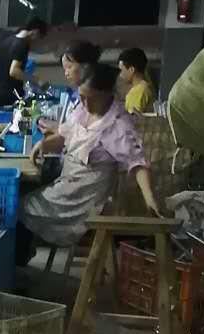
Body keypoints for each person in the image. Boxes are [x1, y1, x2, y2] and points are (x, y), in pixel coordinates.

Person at [17, 61, 159, 263]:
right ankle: (22, 256)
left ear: (106, 94)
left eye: (88, 98)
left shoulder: (117, 125)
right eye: (81, 96)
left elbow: (137, 163)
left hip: (83, 199)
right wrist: (45, 144)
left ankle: (19, 260)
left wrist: (149, 199)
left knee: (20, 207)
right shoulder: (84, 110)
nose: (83, 102)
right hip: (68, 185)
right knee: (22, 194)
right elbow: (68, 134)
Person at [40, 38, 101, 132]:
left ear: (86, 66)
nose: (66, 73)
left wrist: (58, 129)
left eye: (69, 67)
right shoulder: (76, 94)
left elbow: (87, 133)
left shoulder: (94, 98)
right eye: (64, 69)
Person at [0, 16, 48, 106]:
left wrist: (4, 68)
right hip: (13, 95)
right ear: (35, 32)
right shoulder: (22, 45)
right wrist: (37, 80)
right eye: (39, 38)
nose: (36, 42)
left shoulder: (7, 41)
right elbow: (14, 71)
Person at [119, 48, 155, 114]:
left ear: (132, 69)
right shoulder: (148, 86)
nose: (120, 75)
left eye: (121, 70)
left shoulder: (137, 91)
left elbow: (132, 118)